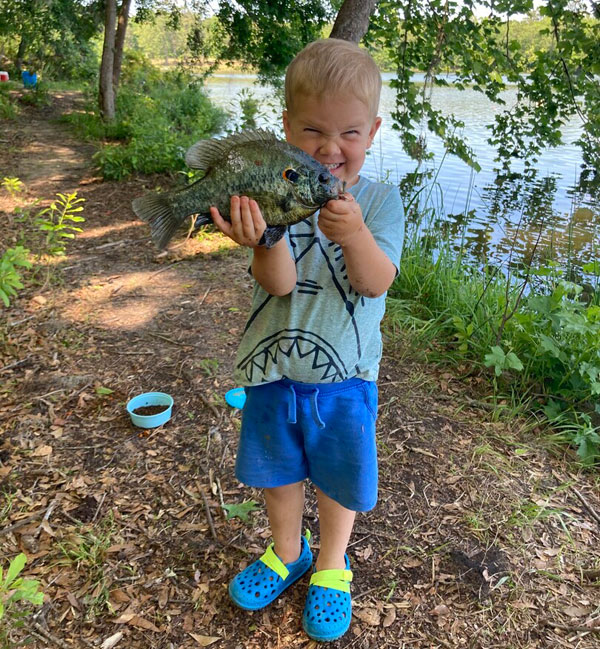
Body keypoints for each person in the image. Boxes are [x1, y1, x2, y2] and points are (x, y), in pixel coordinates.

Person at [210, 38, 405, 643]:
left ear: (371, 131)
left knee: (340, 475)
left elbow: (376, 283)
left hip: (345, 377)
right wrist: (265, 239)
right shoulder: (279, 193)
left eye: (349, 132)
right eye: (313, 129)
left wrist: (354, 236)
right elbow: (279, 284)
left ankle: (330, 565)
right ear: (287, 128)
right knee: (277, 472)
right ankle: (288, 552)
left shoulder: (380, 201)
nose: (331, 147)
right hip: (273, 371)